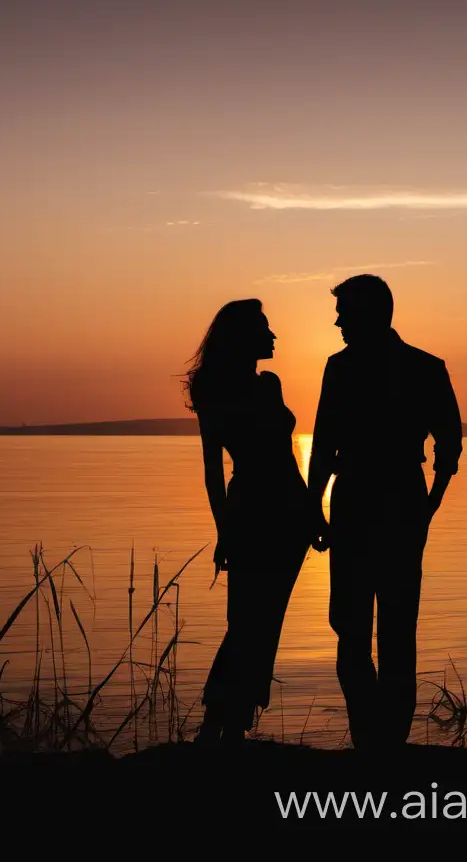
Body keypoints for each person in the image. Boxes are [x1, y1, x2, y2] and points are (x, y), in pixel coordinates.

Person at [307, 274, 462, 749]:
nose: (337, 321)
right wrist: (315, 508)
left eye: (345, 312)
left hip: (384, 500)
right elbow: (324, 446)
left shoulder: (418, 367)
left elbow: (449, 443)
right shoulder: (402, 366)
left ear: (372, 312)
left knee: (388, 627)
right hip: (370, 501)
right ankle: (374, 738)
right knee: (357, 626)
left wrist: (430, 503)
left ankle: (382, 742)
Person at [184, 299, 328, 744]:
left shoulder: (261, 384)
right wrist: (223, 530)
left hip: (276, 510)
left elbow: (275, 460)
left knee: (258, 620)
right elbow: (213, 469)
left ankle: (231, 722)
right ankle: (222, 720)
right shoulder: (223, 390)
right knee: (252, 621)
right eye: (265, 329)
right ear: (243, 336)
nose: (273, 336)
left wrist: (311, 511)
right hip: (262, 511)